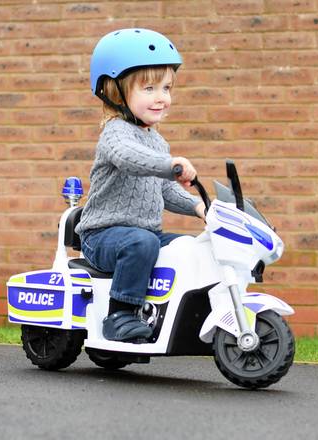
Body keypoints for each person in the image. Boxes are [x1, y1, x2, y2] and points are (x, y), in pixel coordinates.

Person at [75, 28, 206, 343]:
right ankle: (119, 315)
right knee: (141, 243)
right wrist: (170, 165)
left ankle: (181, 314)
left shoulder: (157, 141)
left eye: (166, 87)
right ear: (115, 91)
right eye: (149, 88)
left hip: (145, 234)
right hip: (102, 236)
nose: (162, 97)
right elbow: (130, 159)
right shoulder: (115, 133)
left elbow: (165, 191)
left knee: (189, 247)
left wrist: (200, 206)